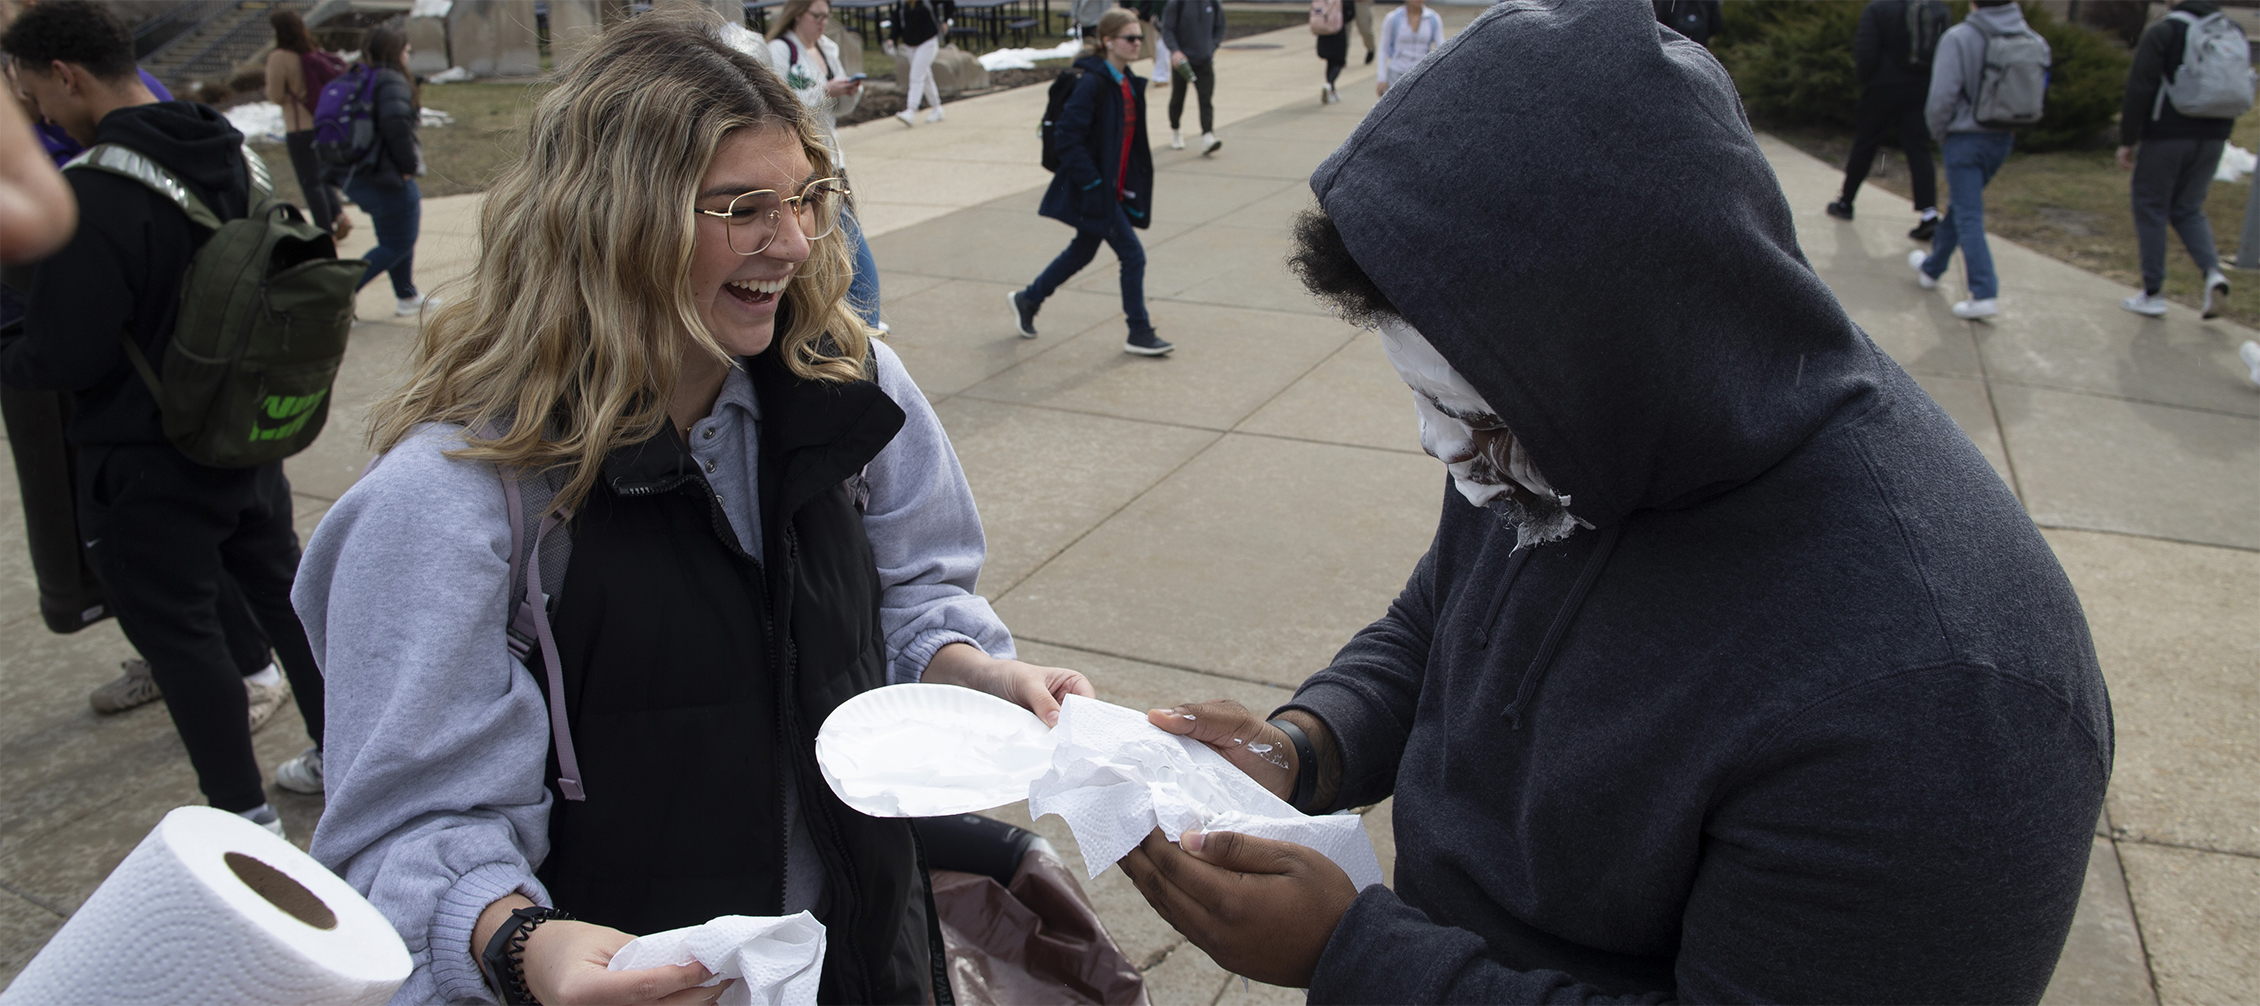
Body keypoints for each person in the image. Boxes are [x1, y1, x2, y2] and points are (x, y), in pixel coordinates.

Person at [1115, 3, 2109, 1001]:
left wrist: (1354, 956)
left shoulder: (1943, 704)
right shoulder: (1561, 424)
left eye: (1470, 414)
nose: (1440, 445)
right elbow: (1442, 625)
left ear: (1626, 365)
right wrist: (1307, 747)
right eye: (1425, 400)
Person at [298, 12, 1094, 1004]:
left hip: (865, 964)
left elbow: (911, 591)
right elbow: (404, 829)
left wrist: (966, 668)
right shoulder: (452, 502)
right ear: (609, 223)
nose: (796, 241)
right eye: (741, 208)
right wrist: (518, 944)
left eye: (806, 197)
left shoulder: (849, 385)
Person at [0, 0, 328, 836]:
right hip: (245, 436)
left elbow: (63, 357)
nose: (37, 110)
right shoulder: (230, 150)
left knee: (182, 640)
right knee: (284, 601)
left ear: (65, 75)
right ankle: (344, 756)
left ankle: (247, 818)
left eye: (33, 90)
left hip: (147, 461)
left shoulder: (93, 194)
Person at [1008, 9, 1171, 357]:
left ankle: (1029, 298)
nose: (1137, 44)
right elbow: (1067, 136)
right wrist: (1094, 183)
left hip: (1112, 187)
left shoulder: (1125, 82)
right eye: (1130, 38)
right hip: (1097, 189)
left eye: (1140, 37)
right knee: (1133, 256)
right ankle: (1138, 330)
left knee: (1082, 251)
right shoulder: (1092, 82)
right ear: (1108, 41)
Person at [1911, 0, 2047, 321]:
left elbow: (1941, 98)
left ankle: (1984, 292)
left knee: (1968, 213)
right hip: (2003, 137)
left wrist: (1941, 133)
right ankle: (1932, 268)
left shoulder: (1959, 37)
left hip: (1964, 138)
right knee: (1962, 205)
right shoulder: (2034, 41)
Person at [766, 0, 885, 331]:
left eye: (826, 18)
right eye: (816, 16)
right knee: (854, 264)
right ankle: (863, 333)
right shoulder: (779, 51)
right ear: (797, 13)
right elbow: (775, 106)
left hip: (834, 163)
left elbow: (838, 110)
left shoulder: (827, 48)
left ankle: (851, 329)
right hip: (805, 171)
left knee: (836, 258)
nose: (821, 23)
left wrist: (847, 92)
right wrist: (823, 90)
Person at [2116, 0, 2239, 319]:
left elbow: (2140, 86)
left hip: (2167, 134)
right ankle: (2213, 273)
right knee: (2188, 208)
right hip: (2215, 135)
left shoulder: (2166, 32)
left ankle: (2153, 292)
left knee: (2150, 204)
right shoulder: (2228, 30)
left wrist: (2127, 139)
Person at [1826, 0, 1947, 241]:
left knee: (1866, 144)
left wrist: (1867, 82)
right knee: (1919, 148)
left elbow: (1865, 51)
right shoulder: (1937, 8)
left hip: (1883, 86)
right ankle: (1929, 214)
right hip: (1922, 86)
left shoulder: (1879, 8)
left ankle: (1846, 202)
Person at [344, 25, 429, 318]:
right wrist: (408, 168)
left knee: (393, 240)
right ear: (395, 52)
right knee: (397, 242)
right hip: (386, 176)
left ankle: (406, 296)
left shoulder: (358, 77)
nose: (408, 55)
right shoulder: (390, 80)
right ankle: (335, 297)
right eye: (406, 50)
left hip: (359, 174)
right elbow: (397, 128)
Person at [263, 8, 352, 239]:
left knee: (309, 181)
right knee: (322, 174)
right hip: (322, 123)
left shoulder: (279, 57)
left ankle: (324, 231)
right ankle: (339, 215)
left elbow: (275, 94)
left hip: (299, 127)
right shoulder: (313, 51)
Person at [1161, 0, 1224, 154]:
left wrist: (1212, 46)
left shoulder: (1212, 3)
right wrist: (1175, 51)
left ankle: (1208, 135)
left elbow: (1220, 26)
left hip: (1204, 60)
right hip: (1182, 61)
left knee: (1205, 99)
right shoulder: (1177, 3)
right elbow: (1167, 29)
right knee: (1178, 98)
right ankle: (1175, 129)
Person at [889, 0, 951, 126]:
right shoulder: (902, 4)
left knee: (916, 75)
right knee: (925, 76)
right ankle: (937, 107)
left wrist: (945, 20)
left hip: (928, 42)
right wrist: (892, 38)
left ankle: (911, 110)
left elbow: (949, 2)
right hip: (910, 45)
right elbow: (897, 21)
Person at [1374, 0, 1442, 97]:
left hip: (1422, 74)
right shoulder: (1393, 18)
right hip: (1397, 73)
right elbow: (1383, 50)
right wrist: (1381, 78)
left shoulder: (1433, 18)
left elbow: (1440, 50)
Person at [1314, 0, 1349, 105]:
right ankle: (1329, 84)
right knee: (1339, 62)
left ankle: (1331, 89)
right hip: (1337, 30)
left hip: (1323, 29)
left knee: (1330, 61)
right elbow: (1350, 10)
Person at [1652, 0, 1722, 47]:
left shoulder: (1669, 1)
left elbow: (1659, 23)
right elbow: (1717, 24)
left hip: (1674, 46)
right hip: (1700, 47)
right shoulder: (1710, 1)